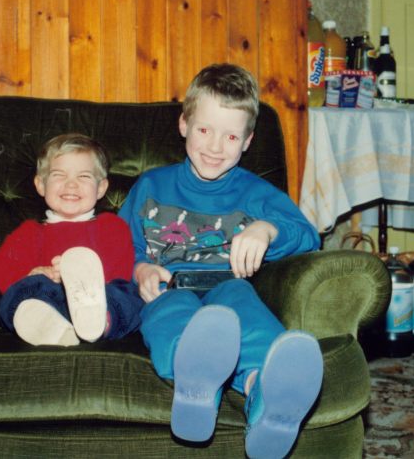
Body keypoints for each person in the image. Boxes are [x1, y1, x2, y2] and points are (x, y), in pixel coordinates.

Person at [118, 64, 323, 459]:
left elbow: (308, 235)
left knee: (240, 307)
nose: (215, 147)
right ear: (184, 125)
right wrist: (139, 268)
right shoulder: (151, 185)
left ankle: (264, 396)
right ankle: (196, 387)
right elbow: (121, 245)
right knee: (170, 312)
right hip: (169, 285)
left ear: (247, 142)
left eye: (230, 136)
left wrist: (267, 230)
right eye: (204, 130)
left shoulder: (255, 191)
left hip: (227, 284)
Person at [0, 133, 144, 346]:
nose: (71, 185)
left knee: (127, 295)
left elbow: (120, 269)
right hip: (49, 299)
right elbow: (0, 266)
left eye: (83, 176)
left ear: (100, 188)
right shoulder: (31, 232)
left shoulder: (110, 226)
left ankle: (102, 323)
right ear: (41, 185)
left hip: (96, 300)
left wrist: (78, 274)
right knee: (22, 291)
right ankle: (50, 329)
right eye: (59, 175)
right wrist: (34, 273)